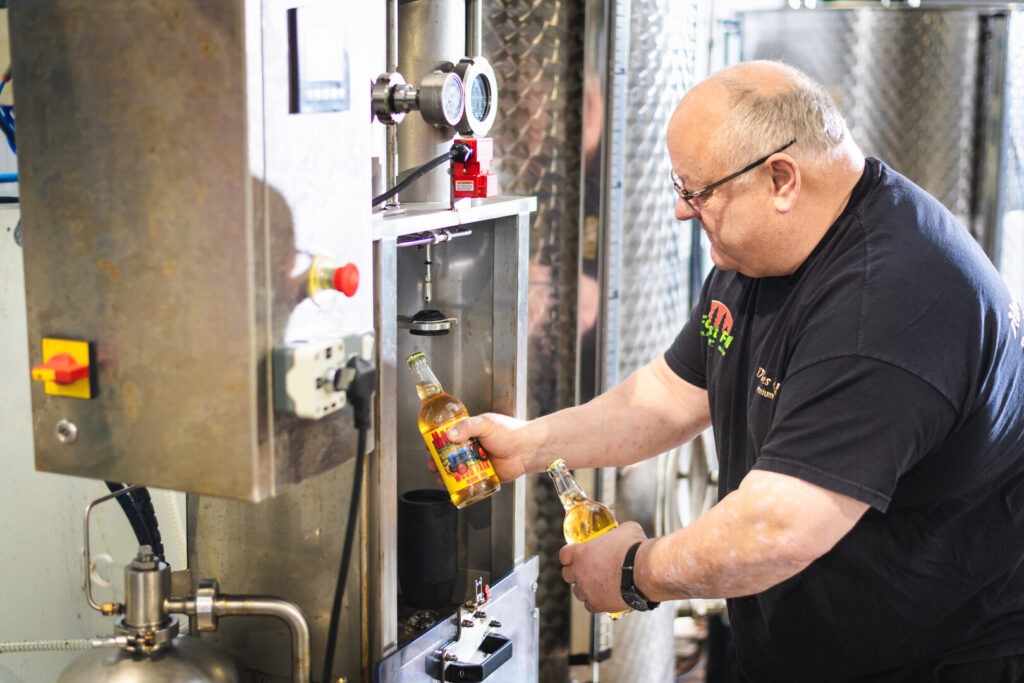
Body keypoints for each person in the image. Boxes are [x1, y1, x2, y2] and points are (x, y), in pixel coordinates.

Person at [443, 60, 1024, 682]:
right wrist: (532, 443)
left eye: (697, 192)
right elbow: (671, 394)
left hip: (925, 659)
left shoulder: (888, 304)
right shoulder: (763, 249)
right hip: (803, 643)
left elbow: (779, 527)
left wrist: (633, 573)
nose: (680, 213)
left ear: (781, 178)